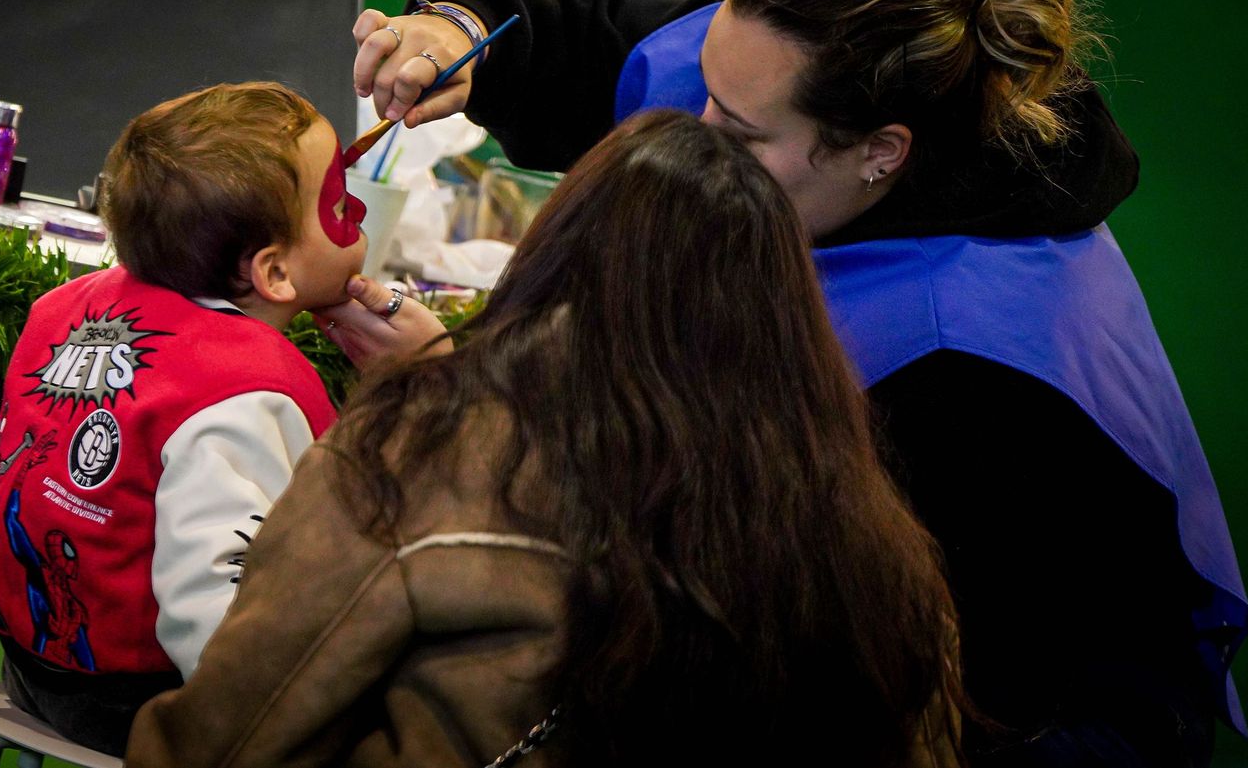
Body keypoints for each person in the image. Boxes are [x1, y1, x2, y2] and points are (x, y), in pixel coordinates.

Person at [344, 0, 1248, 766]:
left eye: (739, 132)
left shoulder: (971, 372)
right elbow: (576, 33)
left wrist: (456, 392)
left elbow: (799, 635)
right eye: (708, 86)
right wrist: (459, 29)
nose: (694, 133)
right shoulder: (764, 65)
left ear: (881, 152)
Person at [126, 109, 966, 768]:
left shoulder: (412, 454)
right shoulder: (879, 548)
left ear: (555, 252)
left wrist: (434, 392)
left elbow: (229, 738)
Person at [0, 81, 446, 755]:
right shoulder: (244, 387)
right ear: (276, 273)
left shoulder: (67, 304)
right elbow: (217, 611)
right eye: (339, 205)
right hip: (137, 702)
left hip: (27, 662)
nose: (357, 211)